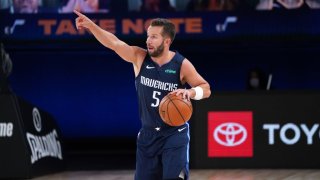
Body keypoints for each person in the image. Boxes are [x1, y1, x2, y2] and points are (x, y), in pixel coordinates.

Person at [74, 10, 211, 180]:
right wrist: (91, 26)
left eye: (154, 37)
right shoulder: (139, 57)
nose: (148, 40)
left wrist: (190, 92)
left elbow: (206, 88)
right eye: (148, 36)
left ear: (167, 41)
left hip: (175, 134)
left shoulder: (181, 64)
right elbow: (114, 43)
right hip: (148, 135)